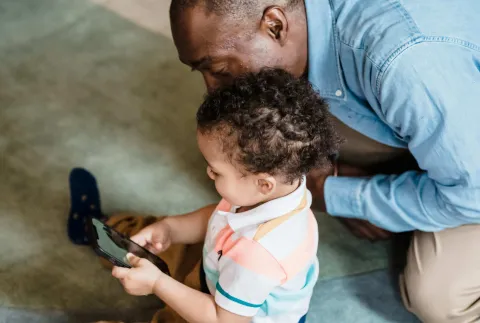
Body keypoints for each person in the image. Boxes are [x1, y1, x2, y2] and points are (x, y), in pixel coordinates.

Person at [157, 0, 480, 322]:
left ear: (275, 25)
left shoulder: (409, 65)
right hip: (449, 120)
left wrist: (335, 193)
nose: (213, 89)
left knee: (439, 299)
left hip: (473, 181)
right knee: (236, 149)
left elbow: (471, 196)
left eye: (221, 70)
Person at [111, 69, 341, 323]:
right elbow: (220, 215)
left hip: (224, 316)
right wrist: (170, 228)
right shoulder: (278, 187)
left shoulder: (258, 253)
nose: (208, 173)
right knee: (138, 241)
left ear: (264, 183)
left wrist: (157, 284)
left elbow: (223, 320)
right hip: (218, 271)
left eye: (216, 171)